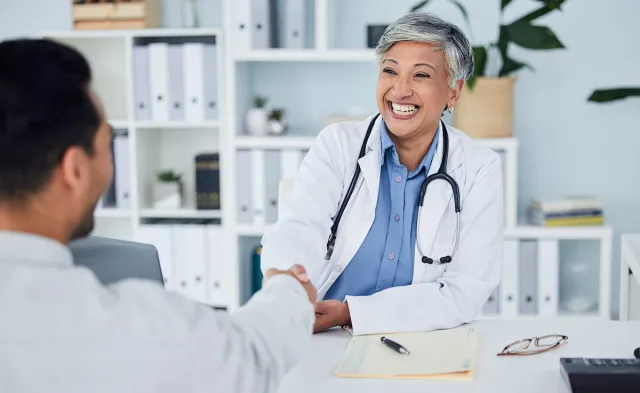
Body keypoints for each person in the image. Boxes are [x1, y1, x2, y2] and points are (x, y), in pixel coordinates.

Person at [0, 38, 316, 392]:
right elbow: (250, 357)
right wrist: (289, 288)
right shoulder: (137, 331)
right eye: (108, 142)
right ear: (74, 169)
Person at [260, 12, 504, 336]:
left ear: (453, 92)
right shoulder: (338, 144)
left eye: (421, 75)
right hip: (321, 335)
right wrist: (288, 277)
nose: (399, 91)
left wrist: (351, 313)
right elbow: (300, 225)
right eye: (390, 71)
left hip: (419, 339)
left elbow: (465, 291)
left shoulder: (478, 168)